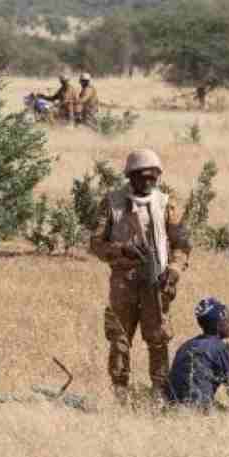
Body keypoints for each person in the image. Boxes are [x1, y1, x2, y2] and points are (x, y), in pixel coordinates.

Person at [90, 149, 191, 403]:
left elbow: (182, 244)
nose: (147, 182)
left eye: (152, 177)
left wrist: (175, 270)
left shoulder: (167, 204)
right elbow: (95, 244)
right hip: (123, 280)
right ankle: (120, 393)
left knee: (158, 338)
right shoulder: (112, 202)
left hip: (157, 279)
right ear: (130, 176)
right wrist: (121, 249)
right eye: (141, 177)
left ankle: (159, 395)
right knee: (119, 337)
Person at [166, 298, 229, 410]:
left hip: (173, 407)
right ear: (218, 325)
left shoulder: (186, 345)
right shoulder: (219, 347)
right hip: (199, 410)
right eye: (227, 320)